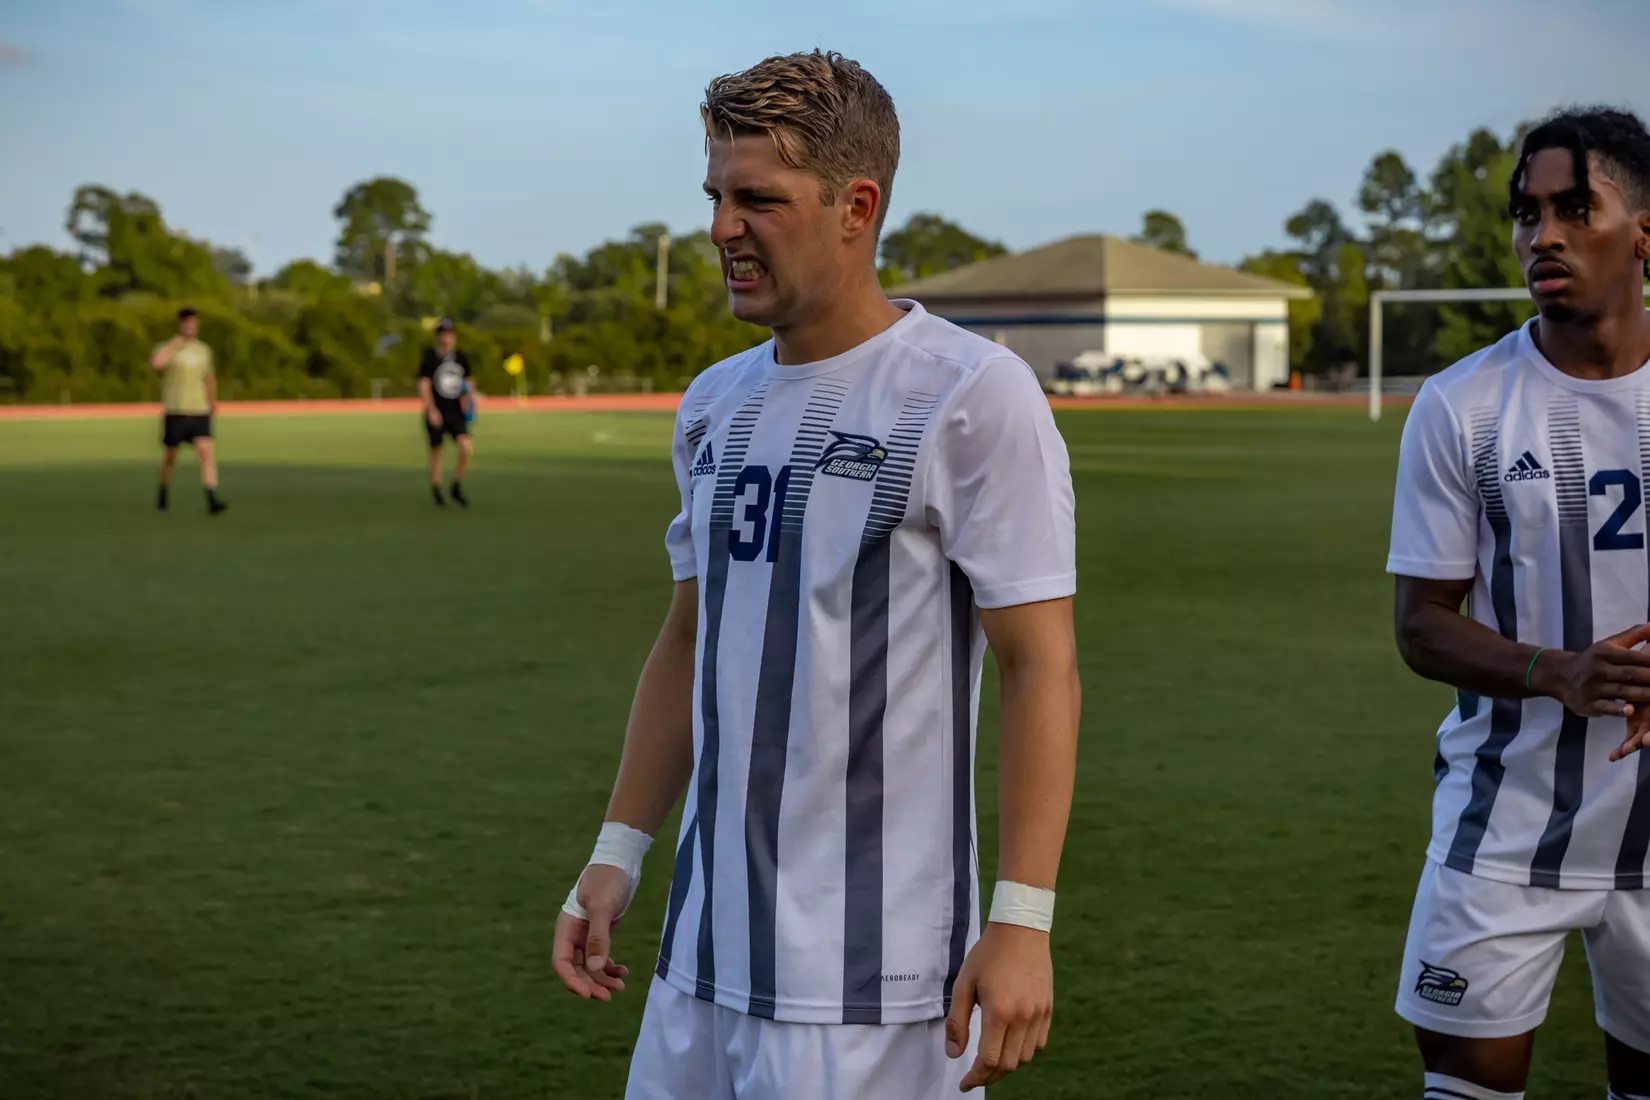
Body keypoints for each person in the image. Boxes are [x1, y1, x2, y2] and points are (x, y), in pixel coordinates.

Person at [550, 51, 1081, 1100]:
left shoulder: (972, 394)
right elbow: (689, 638)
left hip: (871, 982)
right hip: (701, 957)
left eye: (759, 199)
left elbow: (1041, 667)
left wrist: (1022, 921)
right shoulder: (713, 403)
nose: (721, 229)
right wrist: (618, 847)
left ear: (857, 205)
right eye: (715, 196)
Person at [1388, 106, 1650, 1100]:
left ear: (1644, 233)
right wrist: (1560, 670)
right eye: (1527, 212)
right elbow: (1420, 620)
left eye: (1576, 207)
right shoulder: (1464, 405)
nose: (1543, 234)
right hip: (1504, 827)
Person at [149, 306, 226, 515]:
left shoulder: (203, 350)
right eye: (187, 323)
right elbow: (156, 363)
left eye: (194, 324)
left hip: (199, 409)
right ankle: (163, 491)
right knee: (171, 457)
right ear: (181, 325)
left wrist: (212, 402)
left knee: (206, 452)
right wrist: (175, 344)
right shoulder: (168, 347)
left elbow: (209, 377)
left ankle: (212, 497)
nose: (191, 327)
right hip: (176, 410)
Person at [418, 319, 475, 507]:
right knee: (437, 451)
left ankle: (456, 485)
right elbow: (424, 385)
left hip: (455, 411)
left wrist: (468, 401)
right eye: (443, 334)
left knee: (466, 447)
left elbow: (468, 381)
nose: (447, 338)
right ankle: (436, 491)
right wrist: (431, 409)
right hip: (437, 409)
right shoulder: (430, 358)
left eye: (450, 334)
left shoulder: (461, 357)